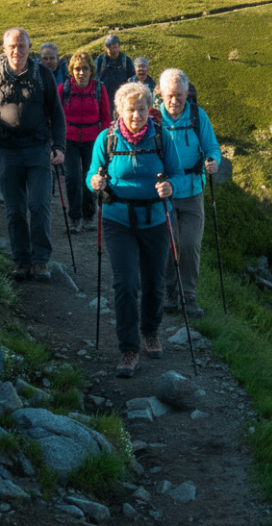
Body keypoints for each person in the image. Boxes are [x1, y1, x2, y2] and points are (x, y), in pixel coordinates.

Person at [89, 82, 185, 378]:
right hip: (118, 220)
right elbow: (92, 172)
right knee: (126, 284)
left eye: (142, 109)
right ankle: (128, 349)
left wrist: (170, 187)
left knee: (154, 283)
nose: (136, 115)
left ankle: (150, 331)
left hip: (155, 219)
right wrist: (94, 182)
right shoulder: (106, 139)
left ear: (149, 110)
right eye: (130, 109)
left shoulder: (161, 138)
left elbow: (178, 175)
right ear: (120, 110)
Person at [0, 27, 66, 282]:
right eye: (12, 46)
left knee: (39, 205)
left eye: (22, 46)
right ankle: (21, 261)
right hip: (8, 150)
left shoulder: (44, 75)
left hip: (38, 150)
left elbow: (57, 116)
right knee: (15, 210)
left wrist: (59, 147)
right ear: (4, 49)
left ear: (29, 48)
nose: (18, 51)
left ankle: (40, 261)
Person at [157, 68, 221, 318]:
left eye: (179, 95)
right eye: (169, 95)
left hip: (192, 191)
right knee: (167, 244)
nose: (174, 101)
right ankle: (168, 292)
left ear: (187, 94)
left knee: (190, 244)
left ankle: (188, 296)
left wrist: (213, 161)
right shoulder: (153, 119)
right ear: (161, 94)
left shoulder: (197, 116)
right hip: (164, 194)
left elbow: (211, 147)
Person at [60, 50, 111, 233]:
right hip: (69, 140)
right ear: (72, 70)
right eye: (77, 69)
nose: (81, 73)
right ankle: (75, 218)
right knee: (73, 178)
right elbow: (56, 116)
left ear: (91, 70)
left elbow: (106, 117)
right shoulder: (63, 89)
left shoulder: (99, 89)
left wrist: (104, 141)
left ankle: (89, 216)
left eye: (85, 69)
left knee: (90, 179)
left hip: (93, 140)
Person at [95, 34, 135, 106]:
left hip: (122, 98)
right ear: (105, 48)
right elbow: (94, 78)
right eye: (109, 47)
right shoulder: (100, 61)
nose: (112, 50)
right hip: (104, 98)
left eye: (115, 47)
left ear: (119, 47)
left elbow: (133, 80)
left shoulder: (126, 60)